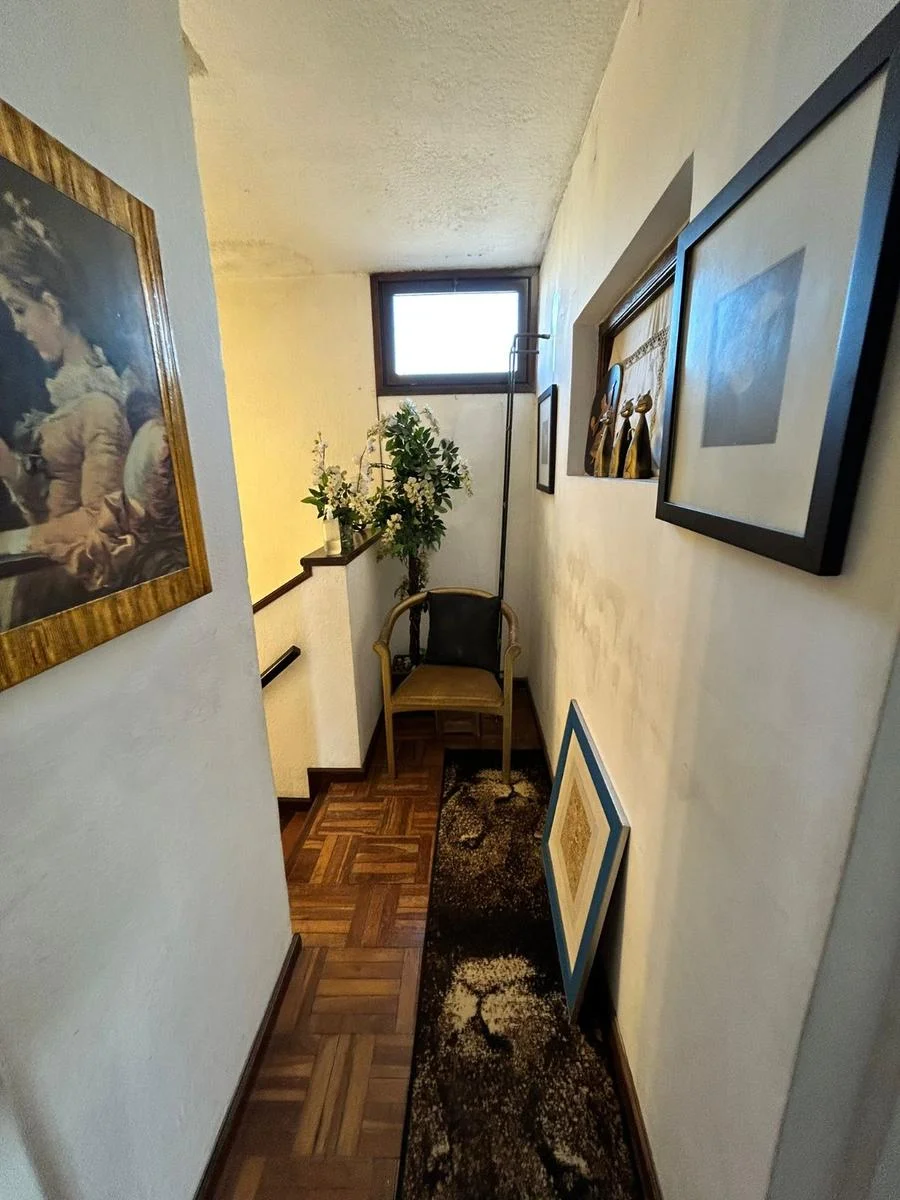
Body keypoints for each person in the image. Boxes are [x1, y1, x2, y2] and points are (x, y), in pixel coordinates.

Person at [0, 193, 134, 629]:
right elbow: (53, 513)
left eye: (20, 309)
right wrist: (12, 471)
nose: (17, 326)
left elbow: (100, 520)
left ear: (53, 308)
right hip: (51, 568)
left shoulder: (99, 405)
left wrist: (15, 542)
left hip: (68, 585)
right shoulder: (71, 400)